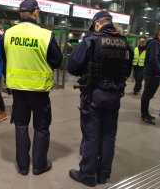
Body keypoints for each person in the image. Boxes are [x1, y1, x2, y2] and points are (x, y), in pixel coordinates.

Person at [67, 11, 133, 187]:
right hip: (115, 95)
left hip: (94, 94)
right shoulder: (125, 43)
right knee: (109, 135)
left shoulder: (91, 40)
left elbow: (72, 66)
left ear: (97, 24)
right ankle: (104, 174)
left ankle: (87, 175)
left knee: (91, 135)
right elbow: (128, 70)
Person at [1, 0, 62, 175]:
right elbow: (57, 61)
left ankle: (22, 165)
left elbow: (5, 62)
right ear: (35, 12)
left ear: (21, 13)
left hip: (18, 90)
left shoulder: (8, 34)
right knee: (41, 127)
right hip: (39, 91)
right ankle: (39, 165)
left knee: (20, 125)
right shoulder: (45, 35)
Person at [141, 27, 160, 125]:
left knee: (149, 94)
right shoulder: (156, 43)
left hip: (154, 73)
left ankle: (145, 113)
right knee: (147, 94)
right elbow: (154, 58)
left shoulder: (158, 43)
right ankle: (144, 115)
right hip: (152, 73)